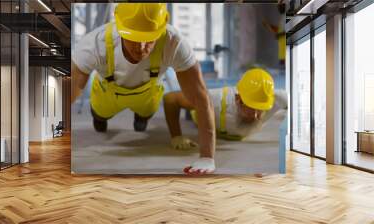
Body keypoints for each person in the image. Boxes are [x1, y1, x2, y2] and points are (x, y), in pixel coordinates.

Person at [71, 3, 216, 174]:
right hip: (107, 93)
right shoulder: (94, 44)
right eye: (133, 38)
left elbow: (201, 97)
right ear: (119, 26)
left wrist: (207, 157)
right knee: (100, 114)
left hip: (147, 93)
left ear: (162, 29)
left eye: (148, 39)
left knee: (145, 115)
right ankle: (100, 119)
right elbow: (67, 97)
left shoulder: (174, 42)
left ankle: (142, 118)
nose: (140, 48)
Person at [163, 68, 288, 148]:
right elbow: (170, 98)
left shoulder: (276, 98)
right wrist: (176, 136)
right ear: (237, 99)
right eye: (251, 108)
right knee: (196, 107)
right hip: (202, 115)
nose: (255, 115)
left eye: (261, 108)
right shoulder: (215, 100)